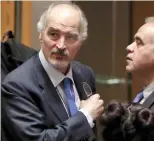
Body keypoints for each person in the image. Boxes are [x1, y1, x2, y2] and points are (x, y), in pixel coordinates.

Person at [1, 2, 104, 141]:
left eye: (70, 37)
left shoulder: (85, 73)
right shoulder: (16, 85)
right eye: (53, 34)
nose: (61, 45)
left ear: (81, 41)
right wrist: (85, 116)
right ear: (41, 35)